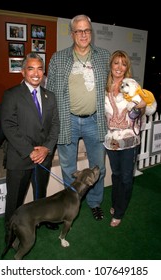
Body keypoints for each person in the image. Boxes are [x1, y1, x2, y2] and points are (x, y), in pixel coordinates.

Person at [46, 14, 110, 220]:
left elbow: (112, 87)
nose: (83, 34)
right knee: (68, 167)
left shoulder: (103, 56)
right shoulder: (59, 58)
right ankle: (69, 204)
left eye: (87, 30)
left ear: (91, 33)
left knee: (97, 165)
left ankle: (94, 202)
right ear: (72, 34)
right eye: (79, 31)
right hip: (68, 119)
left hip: (95, 120)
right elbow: (51, 92)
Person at [1, 52, 60, 232]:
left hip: (44, 157)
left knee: (40, 195)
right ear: (23, 72)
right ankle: (12, 232)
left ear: (43, 72)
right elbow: (8, 126)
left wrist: (47, 149)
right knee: (15, 201)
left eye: (40, 69)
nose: (36, 73)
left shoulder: (50, 96)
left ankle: (39, 221)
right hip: (20, 158)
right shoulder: (12, 95)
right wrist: (30, 151)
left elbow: (55, 125)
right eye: (31, 68)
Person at [104, 50, 157, 227]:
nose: (119, 67)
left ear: (127, 68)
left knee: (126, 177)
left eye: (123, 64)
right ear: (111, 65)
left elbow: (139, 113)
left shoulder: (133, 86)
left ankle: (119, 211)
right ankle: (115, 203)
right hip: (111, 140)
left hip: (129, 139)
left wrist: (140, 106)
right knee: (116, 175)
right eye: (116, 63)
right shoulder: (103, 87)